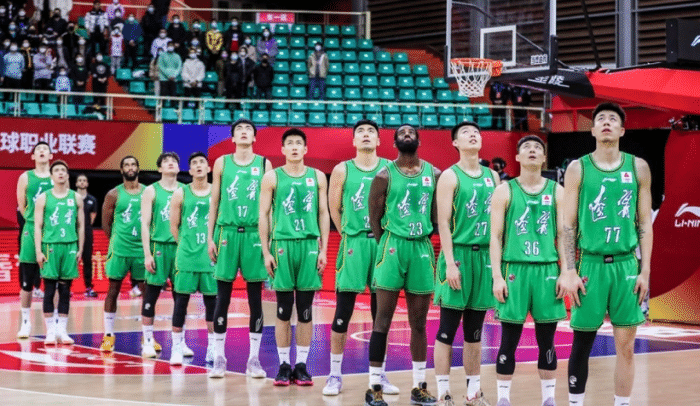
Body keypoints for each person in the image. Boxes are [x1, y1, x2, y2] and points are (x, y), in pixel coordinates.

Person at [562, 102, 651, 406]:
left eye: (613, 119)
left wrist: (645, 271)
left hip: (626, 264)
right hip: (590, 264)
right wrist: (569, 270)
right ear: (592, 130)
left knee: (626, 347)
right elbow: (568, 225)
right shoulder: (578, 168)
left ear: (622, 130)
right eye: (600, 119)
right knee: (582, 344)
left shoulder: (638, 167)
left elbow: (644, 224)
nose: (607, 122)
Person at [365, 124, 441, 406]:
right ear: (394, 142)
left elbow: (437, 216)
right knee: (382, 320)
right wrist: (388, 241)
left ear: (419, 140)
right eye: (401, 133)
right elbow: (374, 217)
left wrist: (422, 236)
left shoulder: (435, 174)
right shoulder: (383, 176)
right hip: (392, 246)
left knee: (419, 323)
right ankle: (374, 387)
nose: (406, 135)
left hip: (421, 247)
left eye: (411, 132)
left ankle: (419, 387)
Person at [490, 135, 567, 406]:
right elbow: (495, 236)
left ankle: (548, 399)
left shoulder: (557, 191)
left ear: (544, 158)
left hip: (547, 270)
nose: (532, 150)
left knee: (547, 340)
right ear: (518, 157)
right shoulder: (504, 190)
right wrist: (497, 276)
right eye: (526, 147)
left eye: (537, 148)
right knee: (508, 340)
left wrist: (566, 272)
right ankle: (503, 398)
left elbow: (563, 235)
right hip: (515, 269)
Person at [323, 119, 398, 396]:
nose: (366, 135)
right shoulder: (342, 169)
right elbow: (334, 207)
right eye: (360, 132)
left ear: (379, 140)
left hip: (382, 244)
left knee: (381, 315)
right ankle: (334, 374)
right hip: (354, 242)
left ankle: (380, 375)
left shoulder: (390, 169)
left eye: (371, 132)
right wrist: (348, 233)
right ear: (354, 140)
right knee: (343, 312)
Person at [432, 121, 500, 406]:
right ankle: (443, 391)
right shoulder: (450, 176)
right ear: (455, 143)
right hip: (458, 254)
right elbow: (443, 223)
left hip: (483, 257)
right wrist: (449, 264)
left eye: (476, 132)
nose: (473, 135)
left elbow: (498, 225)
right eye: (465, 133)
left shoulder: (493, 177)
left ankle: (473, 392)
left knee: (474, 331)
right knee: (447, 330)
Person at [259, 128, 330, 386]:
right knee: (283, 309)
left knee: (306, 310)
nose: (294, 147)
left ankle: (301, 365)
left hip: (309, 245)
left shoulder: (317, 176)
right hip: (282, 245)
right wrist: (266, 251)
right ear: (283, 149)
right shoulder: (272, 177)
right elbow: (263, 214)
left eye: (299, 143)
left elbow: (323, 213)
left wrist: (323, 249)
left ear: (305, 149)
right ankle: (283, 365)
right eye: (289, 143)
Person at [207, 119, 273, 379]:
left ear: (254, 137)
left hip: (254, 233)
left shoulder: (264, 164)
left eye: (248, 130)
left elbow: (269, 207)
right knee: (222, 297)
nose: (244, 132)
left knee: (255, 299)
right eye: (239, 130)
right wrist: (210, 237)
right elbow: (214, 202)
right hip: (227, 232)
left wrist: (268, 241)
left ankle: (253, 360)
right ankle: (219, 357)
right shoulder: (222, 162)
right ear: (233, 138)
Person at [168, 152, 217, 365]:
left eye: (202, 162)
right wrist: (186, 245)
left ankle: (213, 347)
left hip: (210, 257)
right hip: (187, 256)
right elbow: (174, 226)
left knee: (212, 304)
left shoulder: (217, 192)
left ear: (208, 168)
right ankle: (176, 348)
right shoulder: (180, 193)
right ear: (189, 171)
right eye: (194, 163)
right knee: (181, 302)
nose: (198, 165)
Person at [139, 153, 188, 358]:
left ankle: (180, 341)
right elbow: (145, 223)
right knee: (151, 295)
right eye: (166, 161)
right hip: (158, 246)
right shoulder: (151, 190)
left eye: (174, 161)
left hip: (180, 248)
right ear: (159, 168)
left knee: (181, 296)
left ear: (179, 167)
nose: (171, 163)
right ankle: (148, 341)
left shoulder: (185, 190)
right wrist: (147, 253)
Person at [33, 160, 84, 345]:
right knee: (49, 289)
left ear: (67, 175)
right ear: (51, 176)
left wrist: (80, 248)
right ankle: (50, 331)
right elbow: (38, 226)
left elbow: (81, 225)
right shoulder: (44, 198)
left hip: (70, 246)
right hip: (50, 246)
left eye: (63, 170)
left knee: (65, 290)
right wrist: (38, 250)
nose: (61, 173)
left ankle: (62, 331)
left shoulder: (76, 197)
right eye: (57, 170)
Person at [99, 156, 146, 352]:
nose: (130, 167)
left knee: (147, 293)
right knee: (113, 290)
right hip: (120, 249)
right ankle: (109, 336)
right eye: (126, 165)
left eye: (133, 164)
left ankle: (147, 337)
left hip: (142, 249)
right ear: (121, 170)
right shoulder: (113, 194)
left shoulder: (148, 192)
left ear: (138, 168)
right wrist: (117, 241)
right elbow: (106, 223)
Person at [16, 141, 54, 339]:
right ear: (32, 156)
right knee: (27, 279)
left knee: (53, 279)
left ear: (51, 155)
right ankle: (25, 322)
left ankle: (54, 325)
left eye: (45, 149)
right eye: (38, 149)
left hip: (52, 231)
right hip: (31, 229)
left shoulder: (57, 176)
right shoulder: (25, 177)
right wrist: (34, 222)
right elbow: (22, 206)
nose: (41, 151)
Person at [75, 174, 98, 297]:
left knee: (87, 260)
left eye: (84, 180)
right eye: (80, 180)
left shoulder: (92, 200)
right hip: (73, 232)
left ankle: (88, 287)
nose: (82, 182)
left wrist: (84, 228)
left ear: (87, 184)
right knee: (71, 260)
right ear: (76, 183)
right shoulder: (71, 198)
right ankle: (67, 288)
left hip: (87, 232)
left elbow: (92, 218)